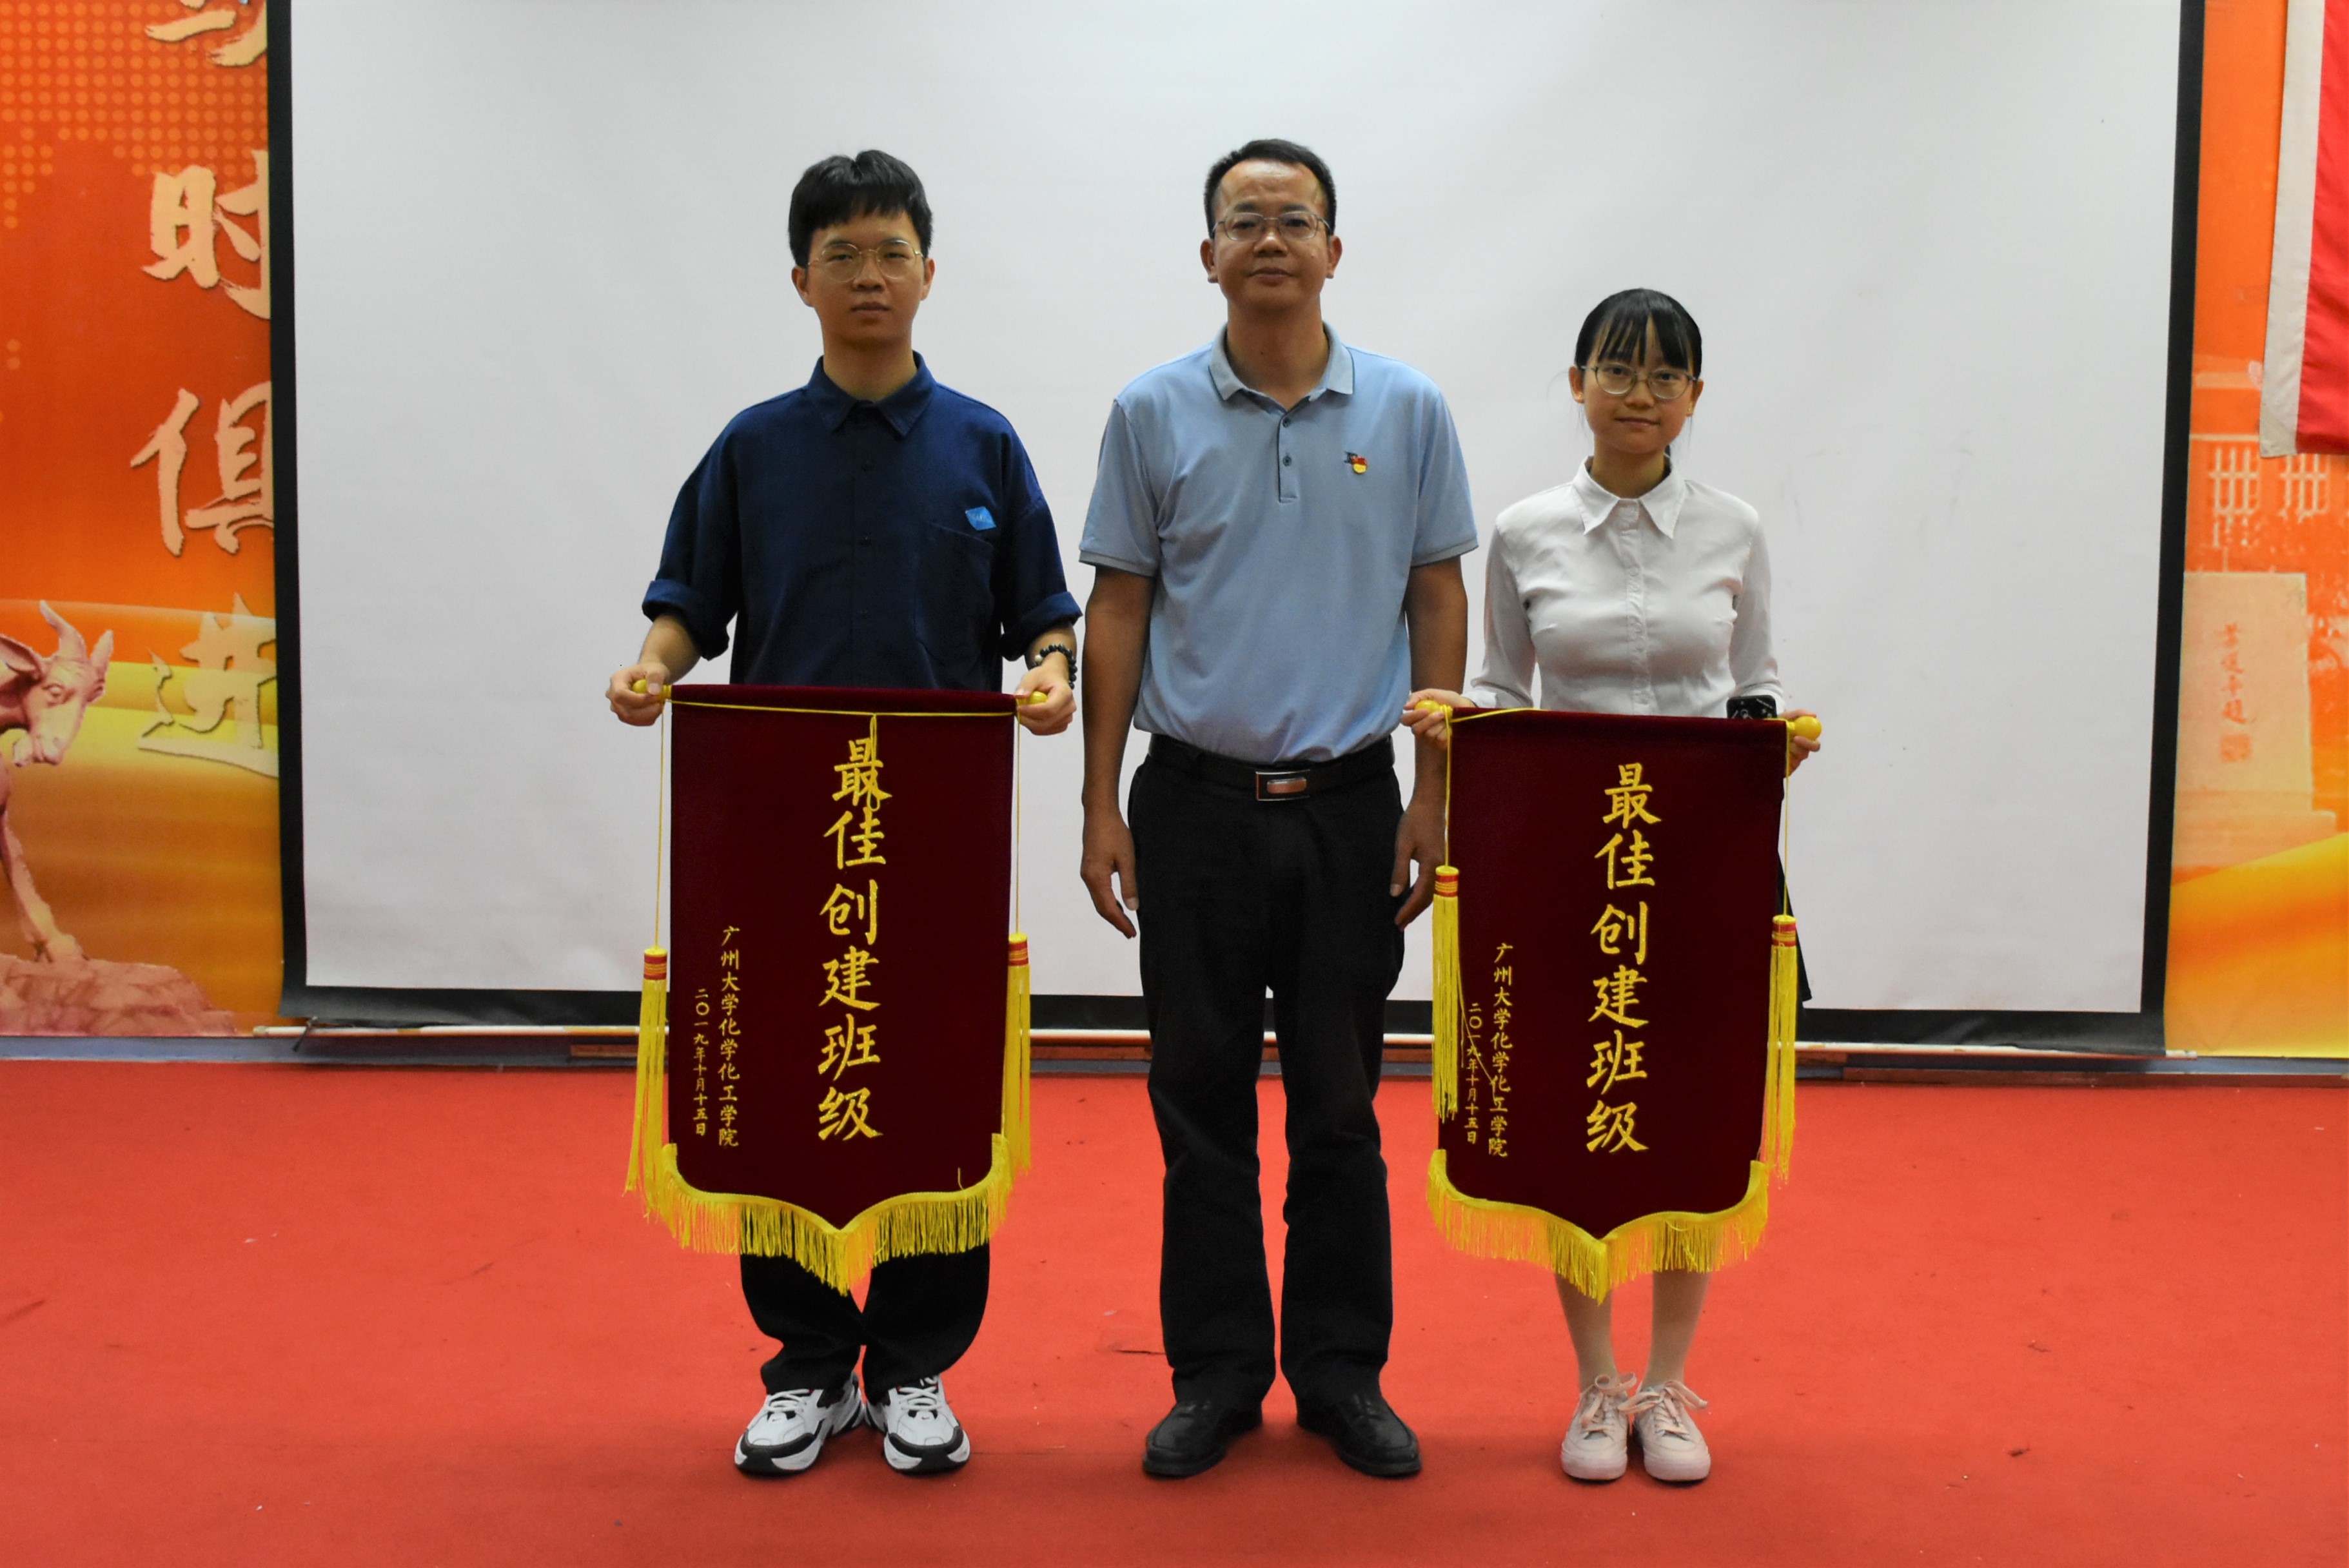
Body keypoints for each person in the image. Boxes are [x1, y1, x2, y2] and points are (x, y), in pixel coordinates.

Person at [605, 150, 1081, 1480]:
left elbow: (1042, 616)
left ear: (929, 274)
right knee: (781, 1088)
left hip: (935, 831)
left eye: (890, 254)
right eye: (842, 256)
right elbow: (689, 602)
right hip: (779, 831)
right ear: (801, 280)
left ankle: (917, 1362)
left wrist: (1051, 676)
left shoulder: (984, 444)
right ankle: (809, 1364)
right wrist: (651, 667)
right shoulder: (754, 447)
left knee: (936, 1084)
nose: (869, 277)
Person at [1077, 138, 1477, 1480]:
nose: (1268, 239)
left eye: (1293, 220)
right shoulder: (1150, 411)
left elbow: (1436, 593)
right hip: (1190, 805)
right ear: (1207, 255)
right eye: (1242, 220)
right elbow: (1119, 605)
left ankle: (1343, 1373)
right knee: (1198, 1104)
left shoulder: (1407, 408)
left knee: (1340, 1107)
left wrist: (1435, 793)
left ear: (1333, 251)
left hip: (1352, 806)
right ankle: (1215, 1377)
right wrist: (1100, 805)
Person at [1403, 287, 1821, 1486]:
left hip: (1703, 864)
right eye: (1618, 371)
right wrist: (1460, 722)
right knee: (1570, 1104)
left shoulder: (1735, 528)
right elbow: (1503, 689)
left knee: (1692, 1107)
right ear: (1578, 383)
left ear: (1696, 396)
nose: (1641, 395)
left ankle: (1670, 1383)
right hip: (1566, 869)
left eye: (1665, 376)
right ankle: (1597, 1381)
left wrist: (1776, 736)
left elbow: (1752, 679)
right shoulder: (1525, 530)